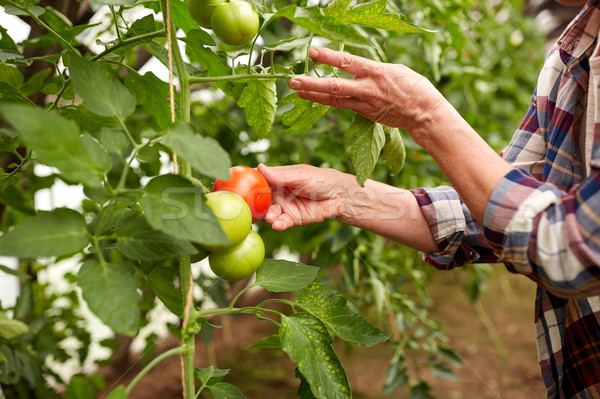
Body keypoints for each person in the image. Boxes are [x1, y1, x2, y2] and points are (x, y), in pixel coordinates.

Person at [256, 0, 600, 397]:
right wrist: (346, 194)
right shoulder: (574, 50)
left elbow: (574, 246)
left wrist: (425, 115)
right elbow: (501, 208)